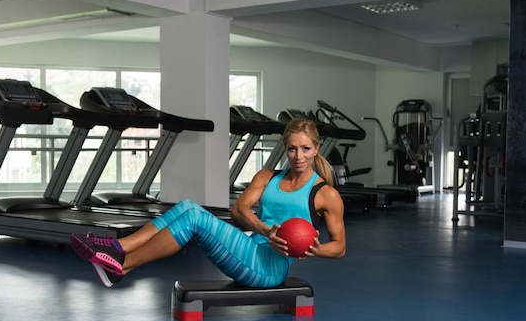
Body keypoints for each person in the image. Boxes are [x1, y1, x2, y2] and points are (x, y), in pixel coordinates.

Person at [70, 118, 346, 288]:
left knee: (192, 218)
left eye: (306, 149)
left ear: (317, 148)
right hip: (250, 246)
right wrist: (266, 231)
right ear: (285, 148)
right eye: (292, 148)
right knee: (188, 206)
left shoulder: (324, 194)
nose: (299, 156)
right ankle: (119, 248)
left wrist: (314, 250)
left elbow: (340, 247)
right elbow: (239, 210)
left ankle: (122, 265)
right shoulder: (267, 176)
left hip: (269, 269)